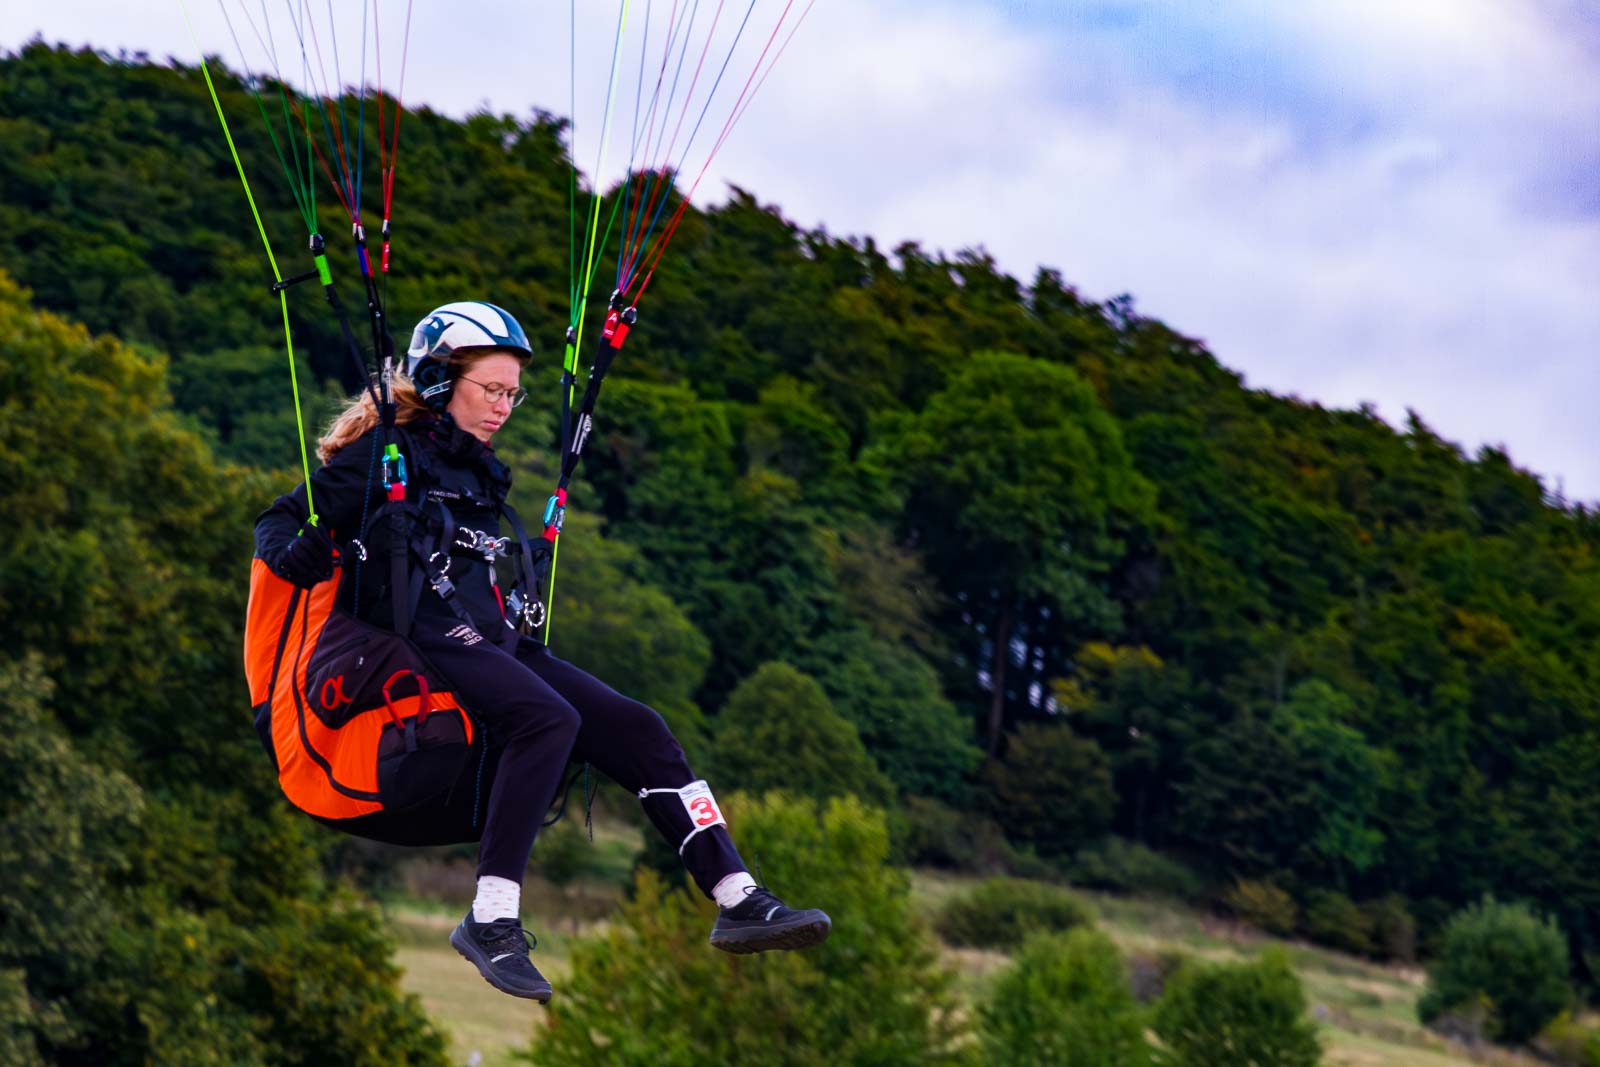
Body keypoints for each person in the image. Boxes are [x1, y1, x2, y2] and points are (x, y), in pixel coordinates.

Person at [254, 301, 830, 1003]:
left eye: (512, 393)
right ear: (440, 381)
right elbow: (280, 519)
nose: (504, 407)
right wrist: (296, 553)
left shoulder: (478, 469)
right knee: (547, 717)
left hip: (488, 636)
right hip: (417, 636)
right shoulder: (385, 454)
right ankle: (491, 916)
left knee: (640, 729)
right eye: (491, 389)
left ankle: (736, 894)